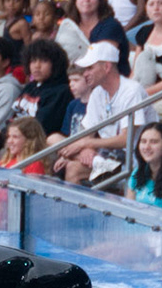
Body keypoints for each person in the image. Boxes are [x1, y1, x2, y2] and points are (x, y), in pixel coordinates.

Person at [53, 41, 150, 183]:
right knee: (66, 159)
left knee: (73, 166)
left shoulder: (132, 91)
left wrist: (86, 144)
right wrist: (82, 149)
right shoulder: (97, 92)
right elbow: (86, 133)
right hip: (106, 159)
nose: (85, 74)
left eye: (90, 68)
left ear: (107, 67)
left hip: (134, 161)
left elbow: (125, 140)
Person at [13, 39, 75, 138]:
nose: (37, 66)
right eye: (33, 61)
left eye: (44, 61)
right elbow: (13, 117)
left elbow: (42, 127)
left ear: (55, 64)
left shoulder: (62, 91)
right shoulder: (30, 87)